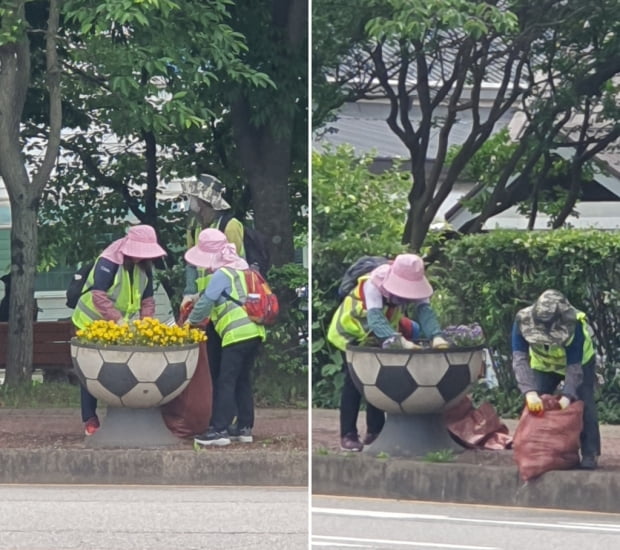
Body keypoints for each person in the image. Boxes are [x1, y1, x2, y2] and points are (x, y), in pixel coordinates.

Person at [327, 253, 450, 452]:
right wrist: (401, 342)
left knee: (379, 378)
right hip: (350, 333)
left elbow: (425, 311)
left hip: (380, 335)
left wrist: (437, 336)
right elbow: (375, 319)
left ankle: (375, 431)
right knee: (354, 382)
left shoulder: (418, 283)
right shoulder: (373, 283)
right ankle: (348, 434)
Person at [71, 225, 167, 436]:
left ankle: (120, 414)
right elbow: (99, 296)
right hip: (89, 321)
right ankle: (90, 418)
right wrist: (118, 321)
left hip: (118, 325)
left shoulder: (144, 268)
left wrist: (146, 326)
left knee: (120, 367)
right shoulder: (109, 261)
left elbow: (147, 300)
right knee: (91, 372)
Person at [185, 228, 265, 447]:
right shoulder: (244, 270)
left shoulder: (223, 274)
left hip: (236, 334)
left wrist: (189, 322)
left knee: (225, 381)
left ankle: (219, 430)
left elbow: (205, 304)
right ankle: (244, 427)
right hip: (255, 331)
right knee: (242, 380)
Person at [512, 289, 601, 470]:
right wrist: (530, 392)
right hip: (543, 365)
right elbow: (519, 359)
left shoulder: (574, 324)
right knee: (535, 407)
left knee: (585, 404)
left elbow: (574, 367)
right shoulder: (522, 321)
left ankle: (590, 453)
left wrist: (567, 396)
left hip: (579, 363)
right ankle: (536, 452)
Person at [181, 174, 245, 385]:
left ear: (204, 201)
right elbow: (190, 262)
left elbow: (234, 265)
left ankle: (228, 414)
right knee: (207, 364)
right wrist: (189, 292)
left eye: (195, 198)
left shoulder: (230, 225)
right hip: (201, 304)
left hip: (225, 304)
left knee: (225, 368)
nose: (191, 203)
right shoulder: (194, 226)